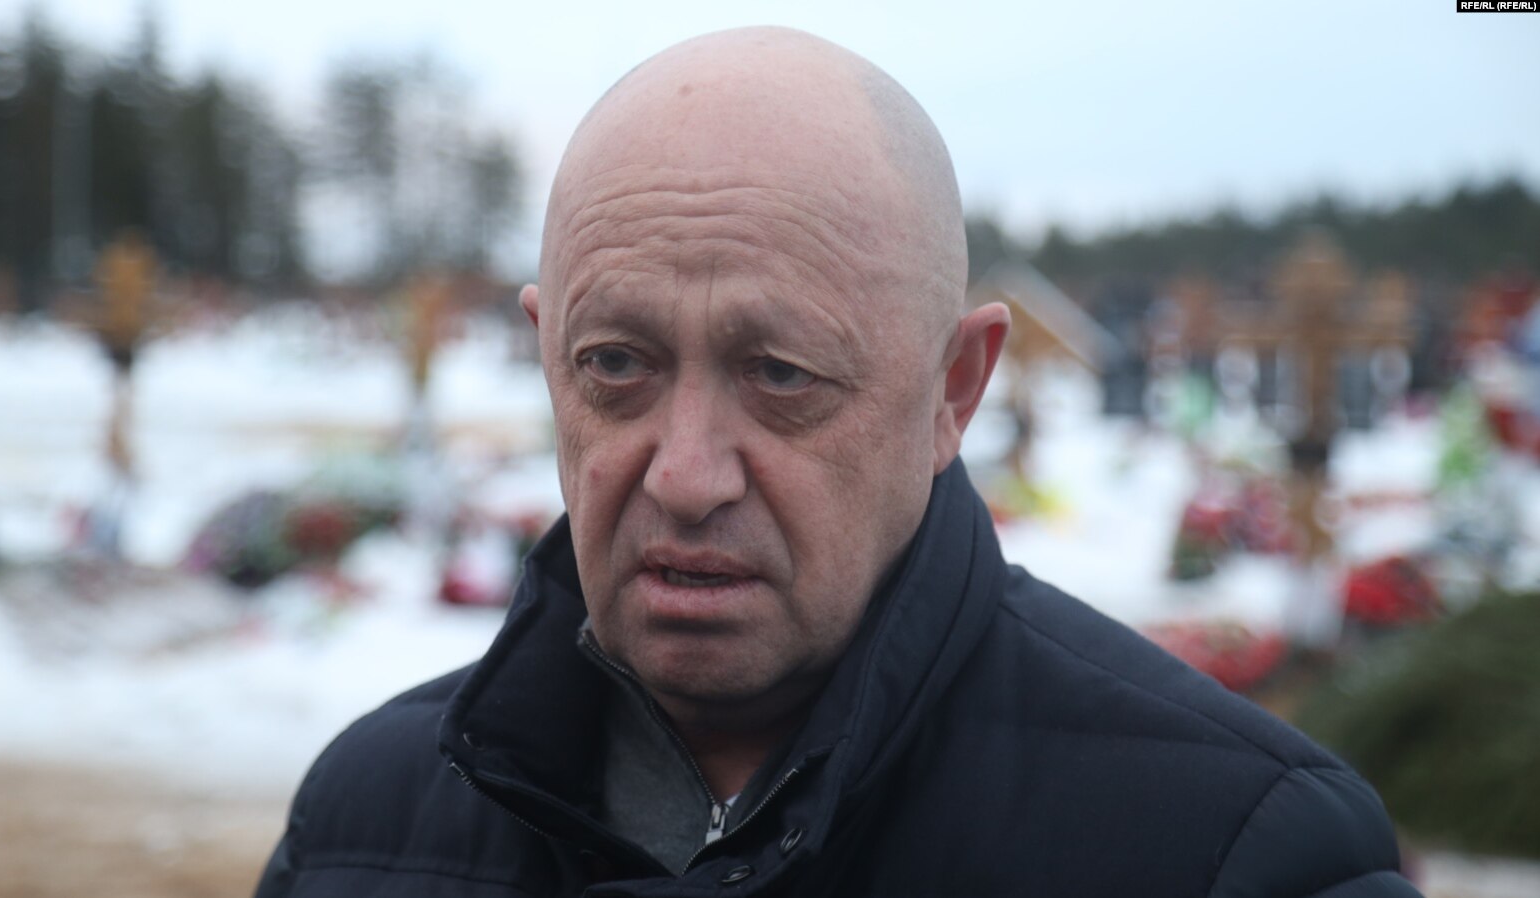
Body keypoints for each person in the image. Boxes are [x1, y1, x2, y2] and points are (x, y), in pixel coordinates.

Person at [256, 27, 1420, 897]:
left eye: (781, 374)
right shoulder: (369, 821)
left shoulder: (1230, 853)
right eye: (615, 364)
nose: (686, 475)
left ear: (951, 390)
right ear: (544, 355)